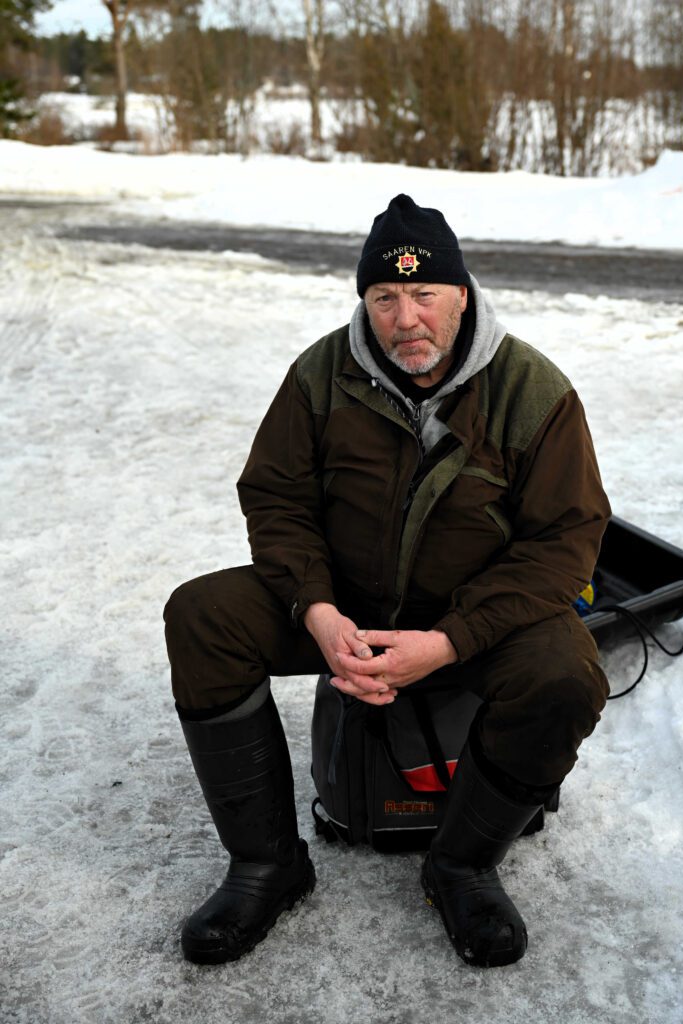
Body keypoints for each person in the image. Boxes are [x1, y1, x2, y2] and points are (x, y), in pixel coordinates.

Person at [164, 194, 611, 969]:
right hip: (345, 606)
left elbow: (564, 542)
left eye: (425, 294)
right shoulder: (319, 374)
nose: (407, 319)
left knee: (566, 672)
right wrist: (317, 611)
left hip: (471, 617)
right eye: (384, 297)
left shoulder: (532, 390)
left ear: (461, 296)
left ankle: (461, 863)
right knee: (203, 616)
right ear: (365, 302)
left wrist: (449, 641)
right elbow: (276, 498)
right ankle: (268, 864)